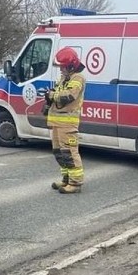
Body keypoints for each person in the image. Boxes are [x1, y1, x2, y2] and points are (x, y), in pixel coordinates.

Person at [46, 47, 86, 194]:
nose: (61, 69)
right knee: (59, 152)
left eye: (63, 66)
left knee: (69, 151)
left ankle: (75, 183)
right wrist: (49, 96)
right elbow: (57, 92)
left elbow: (69, 95)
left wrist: (52, 96)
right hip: (56, 122)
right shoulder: (64, 78)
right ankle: (66, 179)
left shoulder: (78, 78)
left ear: (70, 65)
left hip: (67, 123)